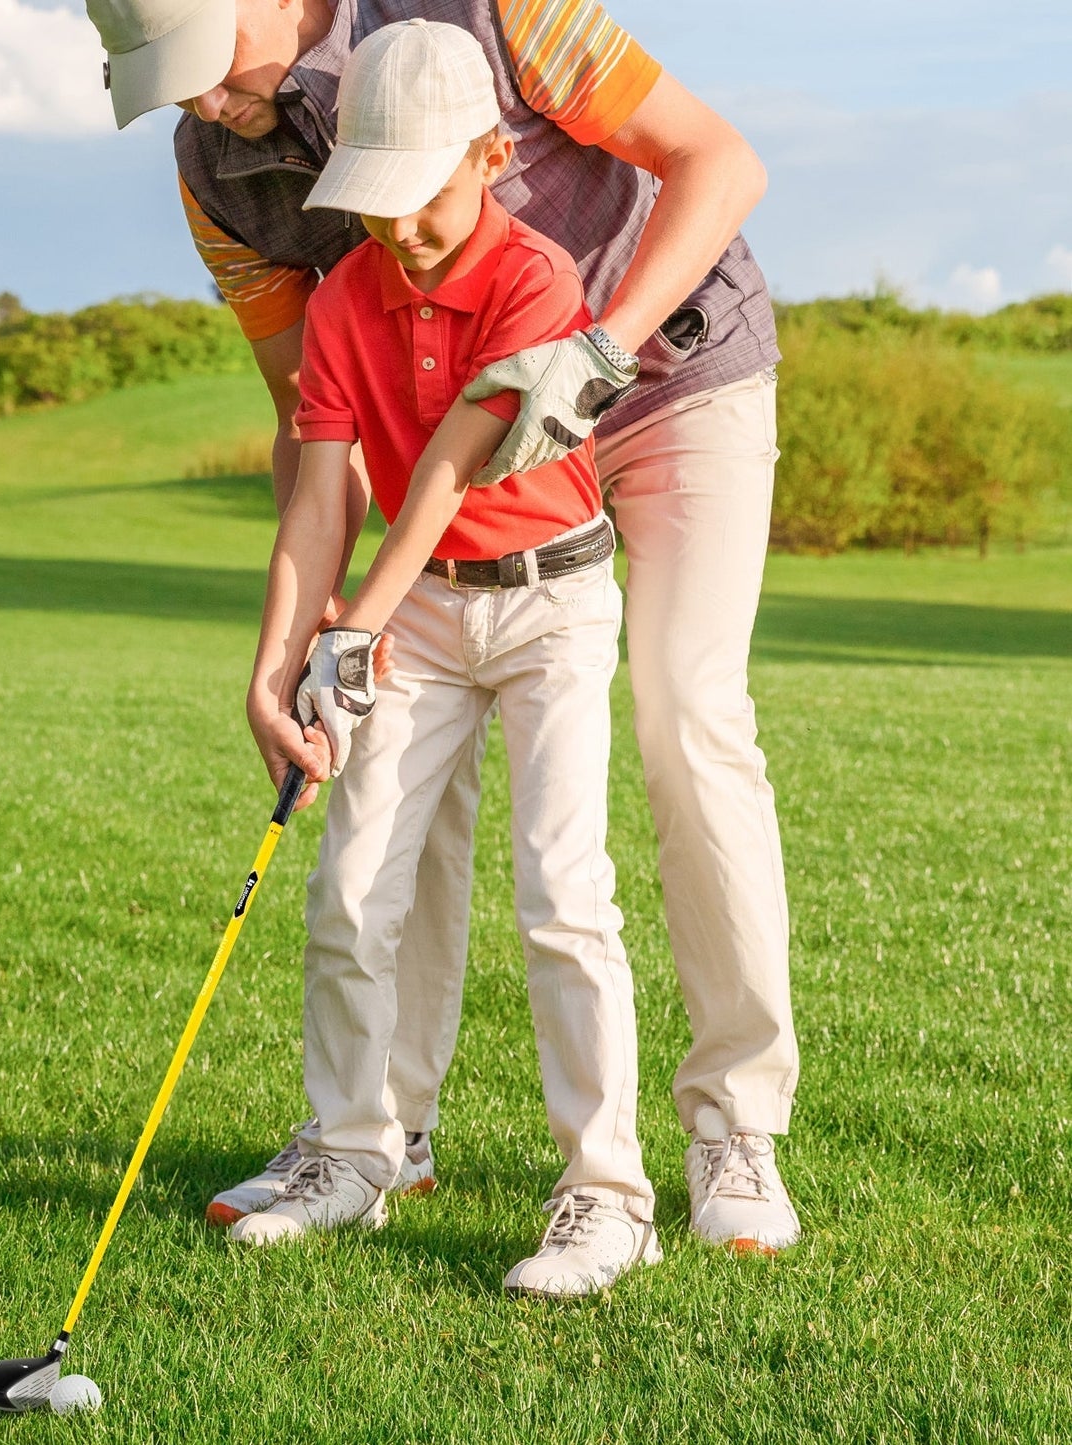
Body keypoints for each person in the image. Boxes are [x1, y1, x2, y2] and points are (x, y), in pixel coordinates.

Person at [87, 0, 801, 1253]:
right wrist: (303, 653)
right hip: (455, 482)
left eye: (201, 67)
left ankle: (729, 1123)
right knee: (393, 800)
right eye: (165, 88)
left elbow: (718, 161)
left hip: (667, 368)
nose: (199, 106)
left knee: (686, 715)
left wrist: (597, 348)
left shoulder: (492, 14)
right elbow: (318, 432)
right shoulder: (216, 167)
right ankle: (381, 1128)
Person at [232, 18, 657, 1295]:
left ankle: (604, 1192)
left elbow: (439, 476)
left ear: (487, 155)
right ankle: (358, 1150)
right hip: (416, 617)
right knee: (352, 886)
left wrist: (350, 627)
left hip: (550, 604)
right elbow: (323, 494)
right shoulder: (345, 299)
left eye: (421, 199)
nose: (399, 231)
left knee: (560, 891)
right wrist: (277, 660)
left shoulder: (537, 280)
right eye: (375, 203)